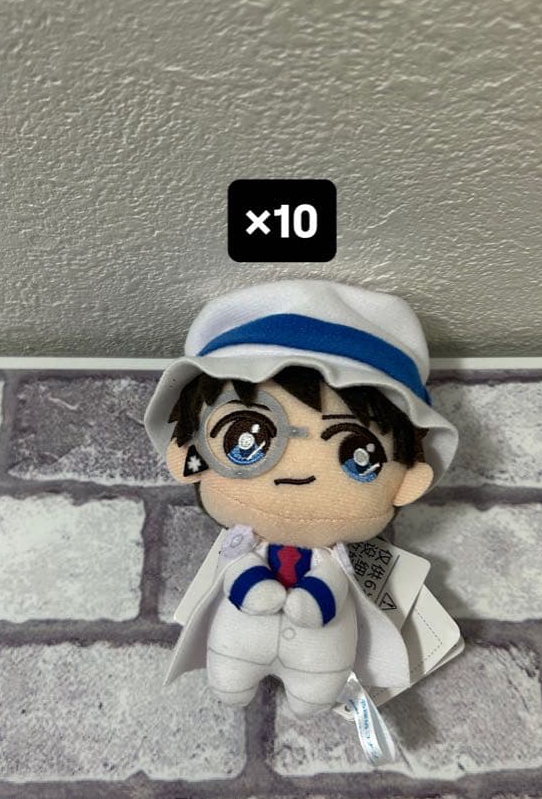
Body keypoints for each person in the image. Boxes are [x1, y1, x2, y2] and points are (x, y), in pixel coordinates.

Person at [144, 279, 457, 717]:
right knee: (231, 677)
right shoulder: (241, 551)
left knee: (314, 692)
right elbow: (239, 576)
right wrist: (255, 590)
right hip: (242, 645)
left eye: (356, 453)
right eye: (247, 439)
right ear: (188, 456)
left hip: (319, 657)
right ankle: (236, 680)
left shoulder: (332, 566)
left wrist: (313, 602)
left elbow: (329, 588)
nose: (298, 475)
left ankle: (309, 697)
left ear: (407, 482)